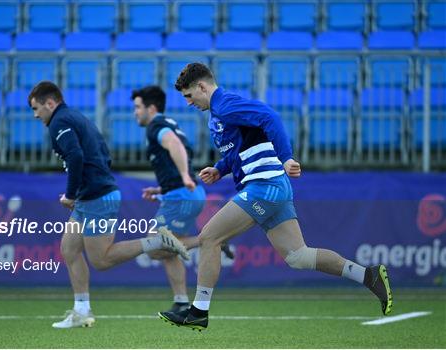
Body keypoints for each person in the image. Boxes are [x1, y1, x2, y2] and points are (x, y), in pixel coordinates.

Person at [158, 63, 393, 331]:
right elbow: (240, 148)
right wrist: (220, 169)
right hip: (271, 186)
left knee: (209, 237)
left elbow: (270, 117)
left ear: (202, 86)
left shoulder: (225, 104)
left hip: (264, 185)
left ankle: (198, 311)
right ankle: (368, 276)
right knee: (299, 257)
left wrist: (287, 157)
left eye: (189, 96)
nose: (189, 102)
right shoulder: (218, 113)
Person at [28, 81, 189, 329]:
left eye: (36, 108)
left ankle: (157, 241)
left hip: (96, 198)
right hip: (91, 195)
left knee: (101, 260)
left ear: (50, 103)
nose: (35, 115)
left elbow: (76, 156)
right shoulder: (75, 117)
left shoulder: (60, 121)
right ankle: (82, 310)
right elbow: (103, 153)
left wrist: (71, 194)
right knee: (69, 249)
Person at [131, 86, 234, 313]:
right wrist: (161, 188)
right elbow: (177, 155)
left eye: (138, 107)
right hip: (184, 193)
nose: (135, 112)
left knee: (155, 247)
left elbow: (175, 146)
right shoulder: (169, 123)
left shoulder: (156, 126)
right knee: (169, 249)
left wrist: (185, 177)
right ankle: (180, 301)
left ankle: (209, 240)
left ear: (151, 108)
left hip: (181, 196)